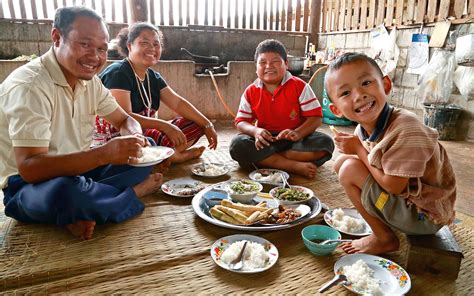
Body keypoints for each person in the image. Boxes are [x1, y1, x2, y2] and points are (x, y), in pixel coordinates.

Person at [0, 7, 164, 240]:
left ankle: (79, 211)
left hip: (81, 171)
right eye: (85, 44)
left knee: (146, 148)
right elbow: (29, 167)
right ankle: (131, 195)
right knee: (67, 193)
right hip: (30, 186)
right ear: (57, 37)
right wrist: (103, 155)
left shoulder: (91, 82)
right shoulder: (30, 85)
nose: (95, 57)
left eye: (101, 49)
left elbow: (124, 119)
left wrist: (134, 136)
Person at [325, 52, 456, 255]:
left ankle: (384, 238)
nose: (359, 95)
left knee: (349, 169)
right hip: (408, 203)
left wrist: (358, 149)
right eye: (345, 93)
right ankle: (383, 224)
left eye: (366, 83)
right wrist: (356, 150)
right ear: (337, 110)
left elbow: (393, 186)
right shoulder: (364, 129)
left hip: (425, 216)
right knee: (341, 162)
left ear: (385, 85)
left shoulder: (407, 128)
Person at [94, 22, 218, 163]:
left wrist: (208, 124)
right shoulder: (118, 72)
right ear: (129, 46)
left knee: (195, 123)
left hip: (145, 132)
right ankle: (175, 157)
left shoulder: (153, 77)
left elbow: (178, 103)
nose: (152, 48)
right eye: (144, 43)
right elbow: (124, 118)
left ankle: (166, 155)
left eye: (156, 44)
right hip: (119, 136)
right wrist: (164, 125)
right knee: (153, 138)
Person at [229, 39, 334, 179]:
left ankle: (266, 160)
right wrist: (256, 131)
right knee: (237, 145)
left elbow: (315, 117)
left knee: (326, 143)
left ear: (286, 64)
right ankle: (292, 165)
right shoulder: (251, 91)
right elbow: (241, 121)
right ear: (256, 67)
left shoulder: (299, 86)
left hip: (295, 141)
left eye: (275, 62)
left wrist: (297, 133)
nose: (268, 66)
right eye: (263, 62)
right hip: (265, 141)